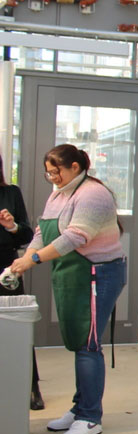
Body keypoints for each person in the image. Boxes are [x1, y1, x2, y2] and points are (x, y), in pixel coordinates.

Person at [7, 144, 126, 434]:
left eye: (56, 171)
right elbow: (41, 232)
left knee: (88, 344)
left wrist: (33, 259)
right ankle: (79, 407)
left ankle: (90, 417)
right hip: (73, 274)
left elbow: (75, 236)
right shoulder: (59, 193)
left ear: (75, 166)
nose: (52, 178)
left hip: (98, 274)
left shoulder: (93, 194)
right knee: (77, 341)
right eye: (48, 173)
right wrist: (24, 259)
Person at [0, 154, 41, 410]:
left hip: (5, 269)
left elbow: (26, 235)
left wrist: (11, 226)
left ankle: (31, 387)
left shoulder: (10, 193)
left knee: (16, 329)